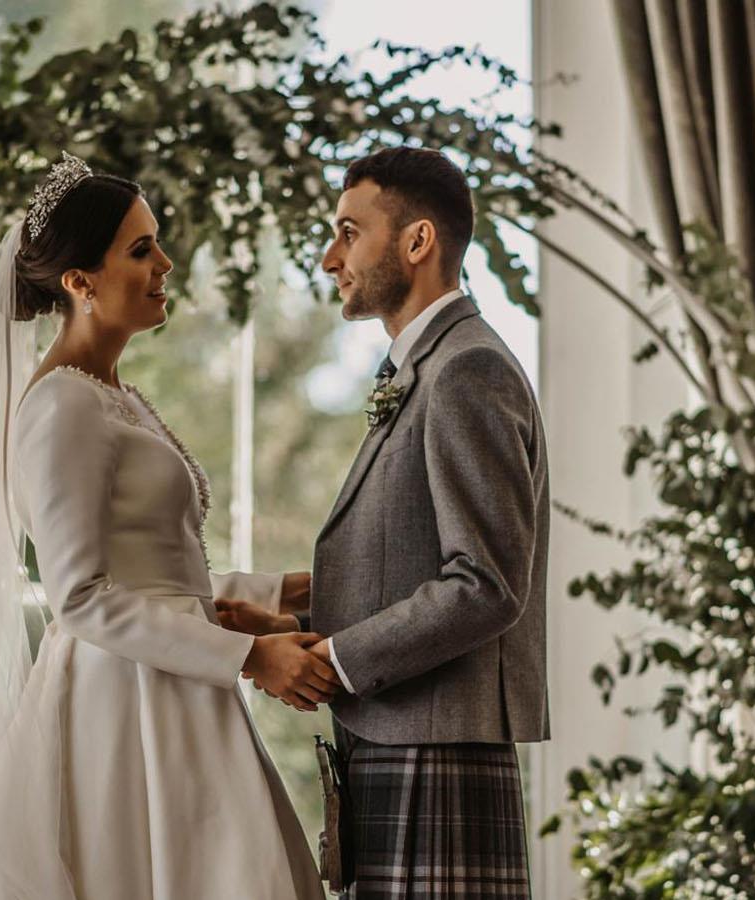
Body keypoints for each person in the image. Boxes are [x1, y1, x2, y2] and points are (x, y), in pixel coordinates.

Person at [0, 153, 330, 900]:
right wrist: (252, 656)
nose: (166, 262)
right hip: (124, 709)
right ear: (79, 282)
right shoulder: (62, 406)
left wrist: (287, 590)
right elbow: (82, 597)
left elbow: (157, 577)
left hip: (177, 686)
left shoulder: (116, 395)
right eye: (141, 248)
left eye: (157, 242)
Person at [217, 146, 551, 899]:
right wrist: (287, 615)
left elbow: (486, 584)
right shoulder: (422, 368)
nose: (330, 256)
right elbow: (410, 556)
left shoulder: (468, 368)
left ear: (418, 241)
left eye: (347, 231)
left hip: (436, 749)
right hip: (399, 738)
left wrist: (331, 658)